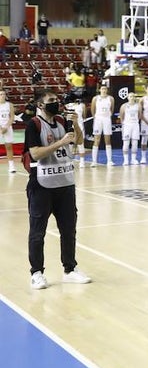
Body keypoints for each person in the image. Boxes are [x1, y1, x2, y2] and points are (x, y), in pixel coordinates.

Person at [25, 88, 90, 290]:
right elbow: (35, 154)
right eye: (51, 100)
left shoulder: (63, 121)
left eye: (56, 99)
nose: (56, 102)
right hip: (41, 186)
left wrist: (76, 123)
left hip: (65, 184)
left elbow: (78, 141)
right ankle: (37, 273)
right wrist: (61, 143)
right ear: (40, 105)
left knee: (69, 230)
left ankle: (70, 269)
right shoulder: (34, 124)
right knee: (38, 232)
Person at [89, 84, 115, 167]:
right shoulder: (95, 98)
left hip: (107, 119)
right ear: (99, 90)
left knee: (108, 140)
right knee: (97, 139)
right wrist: (96, 117)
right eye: (102, 89)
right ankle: (94, 161)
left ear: (107, 90)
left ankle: (109, 161)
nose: (104, 90)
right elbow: (93, 110)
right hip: (98, 120)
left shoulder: (111, 98)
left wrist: (107, 116)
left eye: (105, 89)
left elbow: (112, 110)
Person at [118, 92, 141, 166]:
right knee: (126, 143)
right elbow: (121, 116)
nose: (132, 97)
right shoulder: (124, 106)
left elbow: (139, 115)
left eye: (133, 96)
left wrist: (135, 121)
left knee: (135, 143)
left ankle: (133, 159)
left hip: (135, 125)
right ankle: (126, 160)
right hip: (127, 125)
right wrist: (124, 124)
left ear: (135, 97)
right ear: (128, 98)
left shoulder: (138, 106)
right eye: (130, 96)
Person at [0, 90, 14, 173]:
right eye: (0, 94)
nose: (2, 95)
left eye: (3, 94)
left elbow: (12, 117)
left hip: (7, 127)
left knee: (9, 147)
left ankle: (11, 166)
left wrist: (6, 127)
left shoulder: (9, 105)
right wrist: (1, 129)